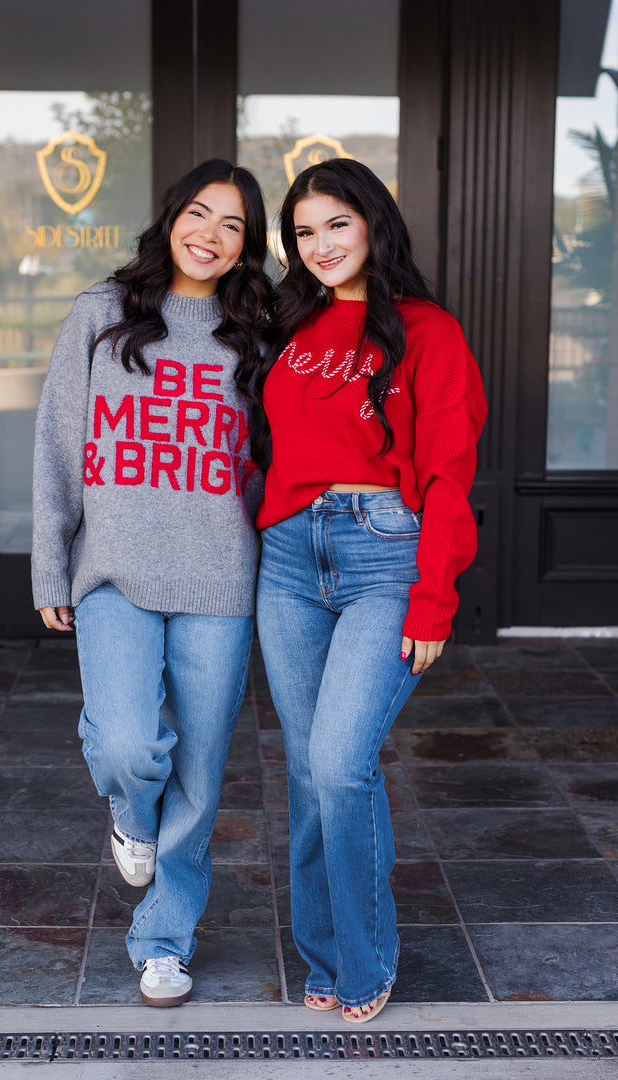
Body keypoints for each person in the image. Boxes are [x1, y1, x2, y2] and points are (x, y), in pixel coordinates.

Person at [31, 159, 271, 1007]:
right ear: (171, 219)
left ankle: (164, 939)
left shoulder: (257, 333)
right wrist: (49, 563)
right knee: (131, 744)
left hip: (222, 578)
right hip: (114, 573)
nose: (210, 234)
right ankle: (131, 817)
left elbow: (274, 466)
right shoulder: (102, 312)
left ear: (248, 245)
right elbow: (60, 447)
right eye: (199, 214)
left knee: (200, 777)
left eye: (232, 224)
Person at [254, 159, 487, 1023]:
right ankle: (325, 957)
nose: (319, 246)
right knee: (308, 774)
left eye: (336, 226)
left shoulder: (427, 331)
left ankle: (365, 959)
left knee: (340, 764)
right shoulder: (287, 321)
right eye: (304, 233)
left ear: (374, 224)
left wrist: (434, 599)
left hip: (387, 552)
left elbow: (449, 471)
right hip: (286, 558)